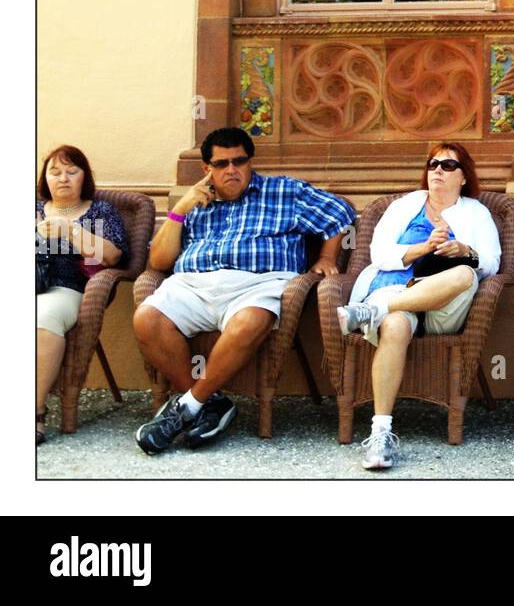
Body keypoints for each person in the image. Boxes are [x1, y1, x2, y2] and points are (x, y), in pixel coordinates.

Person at [133, 126, 353, 454]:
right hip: (194, 283)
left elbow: (340, 213)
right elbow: (159, 260)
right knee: (146, 319)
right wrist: (181, 209)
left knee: (250, 321)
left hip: (258, 283)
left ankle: (187, 407)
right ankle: (207, 403)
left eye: (240, 161)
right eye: (222, 164)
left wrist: (326, 256)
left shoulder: (284, 192)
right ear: (206, 169)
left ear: (250, 162)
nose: (232, 170)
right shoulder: (196, 203)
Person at [335, 142, 501, 471]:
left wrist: (462, 249)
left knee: (465, 274)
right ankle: (380, 434)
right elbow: (378, 254)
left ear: (464, 177)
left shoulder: (475, 212)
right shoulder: (404, 205)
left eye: (448, 166)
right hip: (395, 292)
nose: (437, 170)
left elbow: (493, 263)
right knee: (394, 325)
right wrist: (423, 247)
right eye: (433, 164)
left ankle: (374, 312)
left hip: (442, 307)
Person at [36, 146, 128, 446]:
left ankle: (34, 412)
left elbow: (113, 256)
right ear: (45, 178)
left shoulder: (98, 211)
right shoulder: (32, 209)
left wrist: (69, 230)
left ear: (84, 177)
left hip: (66, 288)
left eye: (72, 171)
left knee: (44, 317)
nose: (63, 178)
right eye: (55, 172)